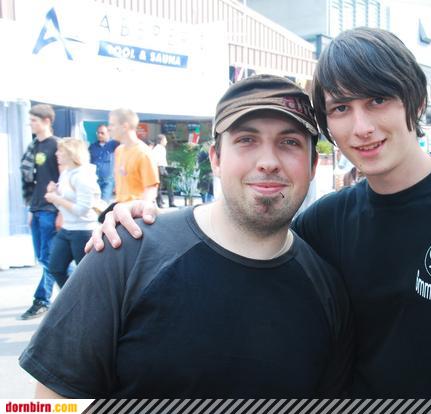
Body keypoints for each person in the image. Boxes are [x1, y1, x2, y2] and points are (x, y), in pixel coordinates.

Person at [91, 28, 431, 399]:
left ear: (414, 101)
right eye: (341, 108)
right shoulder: (321, 224)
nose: (361, 126)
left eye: (378, 100)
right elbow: (238, 232)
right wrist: (143, 219)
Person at [20, 75, 353, 398]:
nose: (268, 162)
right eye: (246, 140)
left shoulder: (326, 289)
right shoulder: (126, 252)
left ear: (313, 166)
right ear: (216, 159)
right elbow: (49, 402)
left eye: (289, 142)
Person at [19, 104, 60, 320]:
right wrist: (30, 208)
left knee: (50, 259)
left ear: (46, 121)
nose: (30, 124)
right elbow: (33, 180)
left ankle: (43, 299)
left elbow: (64, 180)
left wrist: (61, 212)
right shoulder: (34, 146)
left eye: (34, 120)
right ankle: (75, 286)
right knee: (44, 259)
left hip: (51, 209)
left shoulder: (57, 145)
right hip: (36, 208)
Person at [45, 138, 101, 288]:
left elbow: (82, 209)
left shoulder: (83, 176)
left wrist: (56, 198)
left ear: (71, 153)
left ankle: (85, 298)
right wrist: (54, 194)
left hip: (84, 230)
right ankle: (73, 297)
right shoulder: (66, 173)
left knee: (86, 274)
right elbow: (64, 203)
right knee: (55, 268)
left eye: (60, 151)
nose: (56, 154)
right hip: (67, 228)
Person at [108, 108, 159, 204]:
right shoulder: (119, 151)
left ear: (125, 126)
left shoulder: (143, 153)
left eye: (112, 125)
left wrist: (141, 208)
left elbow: (151, 188)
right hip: (120, 208)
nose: (109, 128)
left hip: (135, 210)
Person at [88, 124, 119, 202]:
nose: (99, 135)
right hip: (95, 180)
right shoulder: (92, 147)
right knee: (94, 203)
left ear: (108, 133)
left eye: (102, 133)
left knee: (104, 203)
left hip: (107, 181)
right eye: (98, 133)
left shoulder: (114, 144)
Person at [152, 134, 176, 208]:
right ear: (161, 140)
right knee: (166, 186)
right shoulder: (159, 148)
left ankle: (161, 203)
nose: (166, 141)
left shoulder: (158, 148)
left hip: (161, 168)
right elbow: (157, 160)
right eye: (165, 140)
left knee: (161, 187)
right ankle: (170, 202)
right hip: (160, 168)